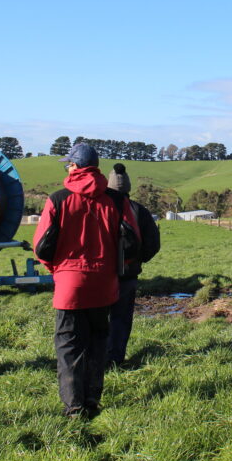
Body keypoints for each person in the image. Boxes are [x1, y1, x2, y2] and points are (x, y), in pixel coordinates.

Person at [34, 143, 135, 418]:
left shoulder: (57, 199)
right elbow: (133, 241)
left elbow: (41, 245)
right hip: (104, 286)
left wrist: (56, 270)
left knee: (69, 347)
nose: (67, 167)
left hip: (68, 286)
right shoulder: (116, 200)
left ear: (76, 166)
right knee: (97, 344)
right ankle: (92, 399)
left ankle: (74, 406)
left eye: (68, 163)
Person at [105, 163, 161, 368]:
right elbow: (153, 244)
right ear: (128, 187)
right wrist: (138, 260)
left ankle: (96, 357)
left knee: (98, 317)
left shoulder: (99, 207)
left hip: (100, 274)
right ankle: (116, 359)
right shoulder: (139, 210)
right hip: (128, 275)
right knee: (121, 319)